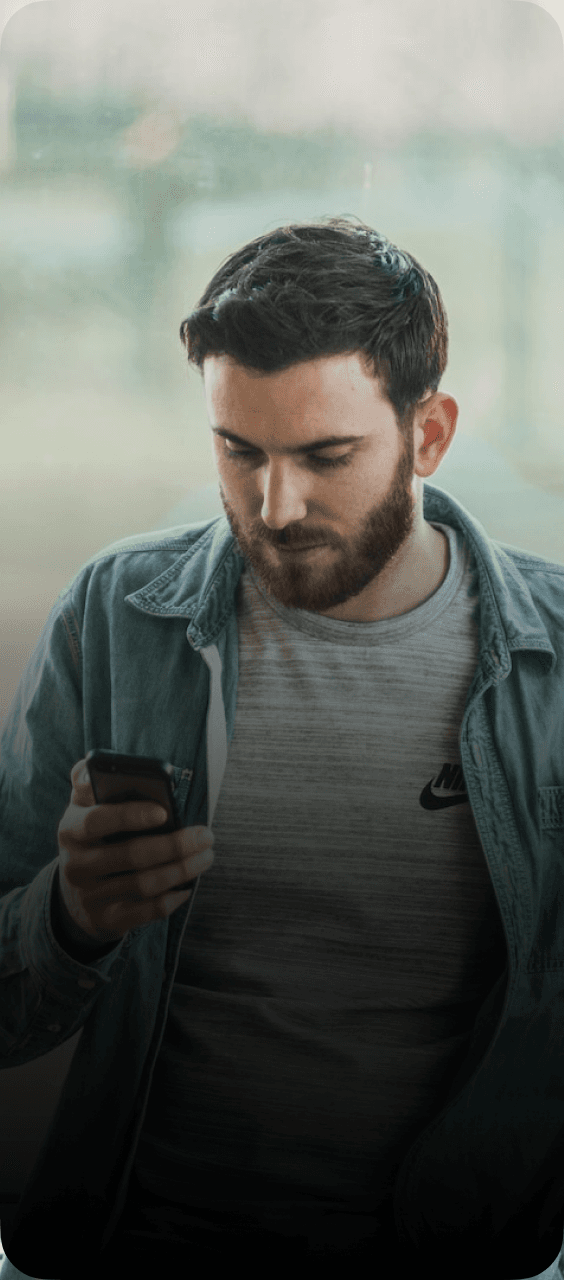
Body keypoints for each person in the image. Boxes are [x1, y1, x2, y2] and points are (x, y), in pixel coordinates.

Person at [1, 217, 563, 1280]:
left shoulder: (554, 659)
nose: (274, 504)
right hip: (143, 1241)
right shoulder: (116, 614)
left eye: (326, 456)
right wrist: (69, 920)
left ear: (429, 435)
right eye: (238, 449)